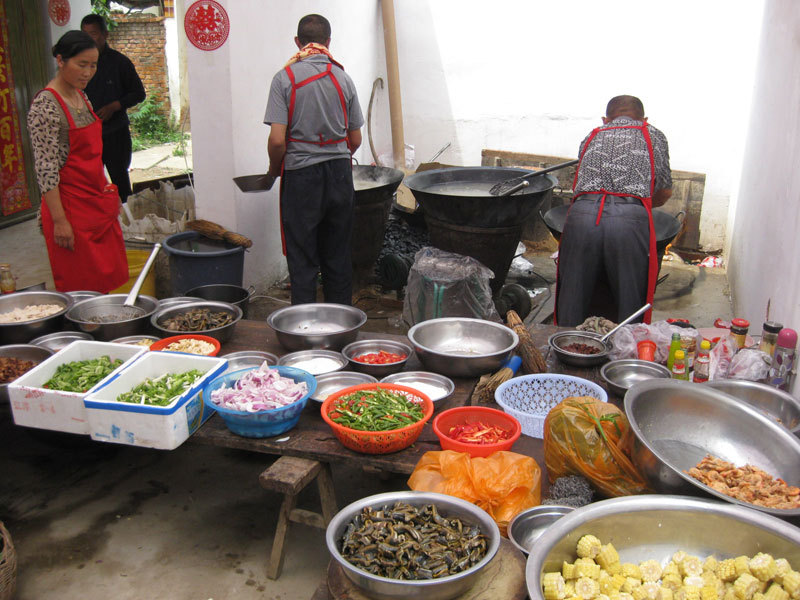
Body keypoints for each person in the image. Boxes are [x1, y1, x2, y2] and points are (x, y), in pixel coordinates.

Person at [264, 14, 364, 305]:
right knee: (337, 255)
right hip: (339, 176)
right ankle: (341, 324)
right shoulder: (344, 79)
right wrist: (334, 157)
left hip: (301, 177)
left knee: (303, 258)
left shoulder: (284, 78)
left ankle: (303, 326)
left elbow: (277, 140)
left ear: (298, 42)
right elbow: (355, 139)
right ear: (328, 42)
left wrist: (274, 169)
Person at [555, 95, 672, 326]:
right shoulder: (653, 134)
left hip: (582, 216)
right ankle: (627, 344)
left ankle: (564, 342)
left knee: (572, 297)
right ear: (644, 119)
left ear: (605, 119)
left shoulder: (592, 135)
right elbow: (664, 191)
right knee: (630, 301)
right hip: (629, 220)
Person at [27, 30, 128, 293]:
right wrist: (60, 221)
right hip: (69, 211)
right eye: (81, 64)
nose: (88, 72)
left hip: (94, 202)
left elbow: (94, 157)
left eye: (93, 65)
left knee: (106, 283)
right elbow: (46, 171)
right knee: (81, 290)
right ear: (61, 60)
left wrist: (107, 192)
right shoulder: (45, 106)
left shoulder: (81, 96)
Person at [80, 14, 145, 204]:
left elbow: (138, 93)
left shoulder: (119, 62)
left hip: (115, 132)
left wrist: (115, 106)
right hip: (87, 134)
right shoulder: (79, 65)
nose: (89, 39)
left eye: (93, 34)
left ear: (105, 34)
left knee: (120, 181)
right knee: (91, 183)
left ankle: (126, 218)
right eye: (85, 35)